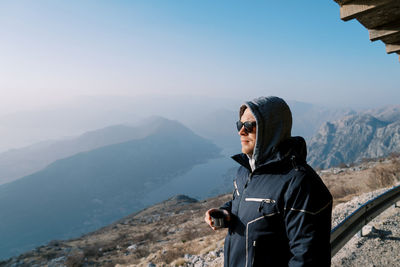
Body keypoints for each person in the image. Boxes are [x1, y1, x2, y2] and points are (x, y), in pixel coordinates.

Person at [205, 96, 332, 267]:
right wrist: (227, 213)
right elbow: (251, 203)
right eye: (239, 125)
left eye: (249, 126)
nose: (241, 131)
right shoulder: (245, 170)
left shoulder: (300, 183)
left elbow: (308, 258)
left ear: (272, 129)